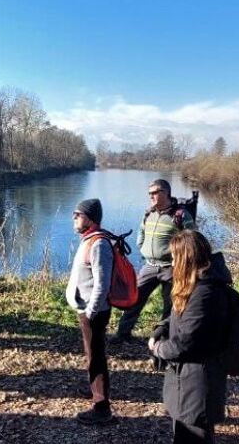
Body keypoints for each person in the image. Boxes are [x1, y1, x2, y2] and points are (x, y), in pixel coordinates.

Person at [148, 230, 230, 444]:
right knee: (183, 439)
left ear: (186, 258)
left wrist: (158, 347)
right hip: (185, 379)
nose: (170, 263)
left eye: (173, 258)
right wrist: (161, 327)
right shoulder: (194, 284)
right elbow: (177, 316)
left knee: (198, 443)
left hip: (199, 381)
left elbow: (186, 342)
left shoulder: (208, 292)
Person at [112, 178, 194, 343]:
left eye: (156, 192)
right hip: (149, 266)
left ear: (166, 193)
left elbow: (193, 241)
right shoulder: (149, 214)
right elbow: (140, 235)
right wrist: (144, 250)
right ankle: (122, 334)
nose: (152, 196)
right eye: (150, 193)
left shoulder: (180, 215)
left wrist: (178, 260)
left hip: (171, 268)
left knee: (170, 305)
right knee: (135, 298)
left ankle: (164, 338)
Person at [65, 198, 115, 425]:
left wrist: (91, 311)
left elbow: (102, 284)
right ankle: (96, 393)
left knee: (95, 356)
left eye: (78, 214)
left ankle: (101, 406)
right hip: (86, 309)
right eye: (74, 214)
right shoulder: (88, 239)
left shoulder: (99, 244)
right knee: (92, 354)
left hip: (93, 311)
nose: (74, 217)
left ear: (90, 218)